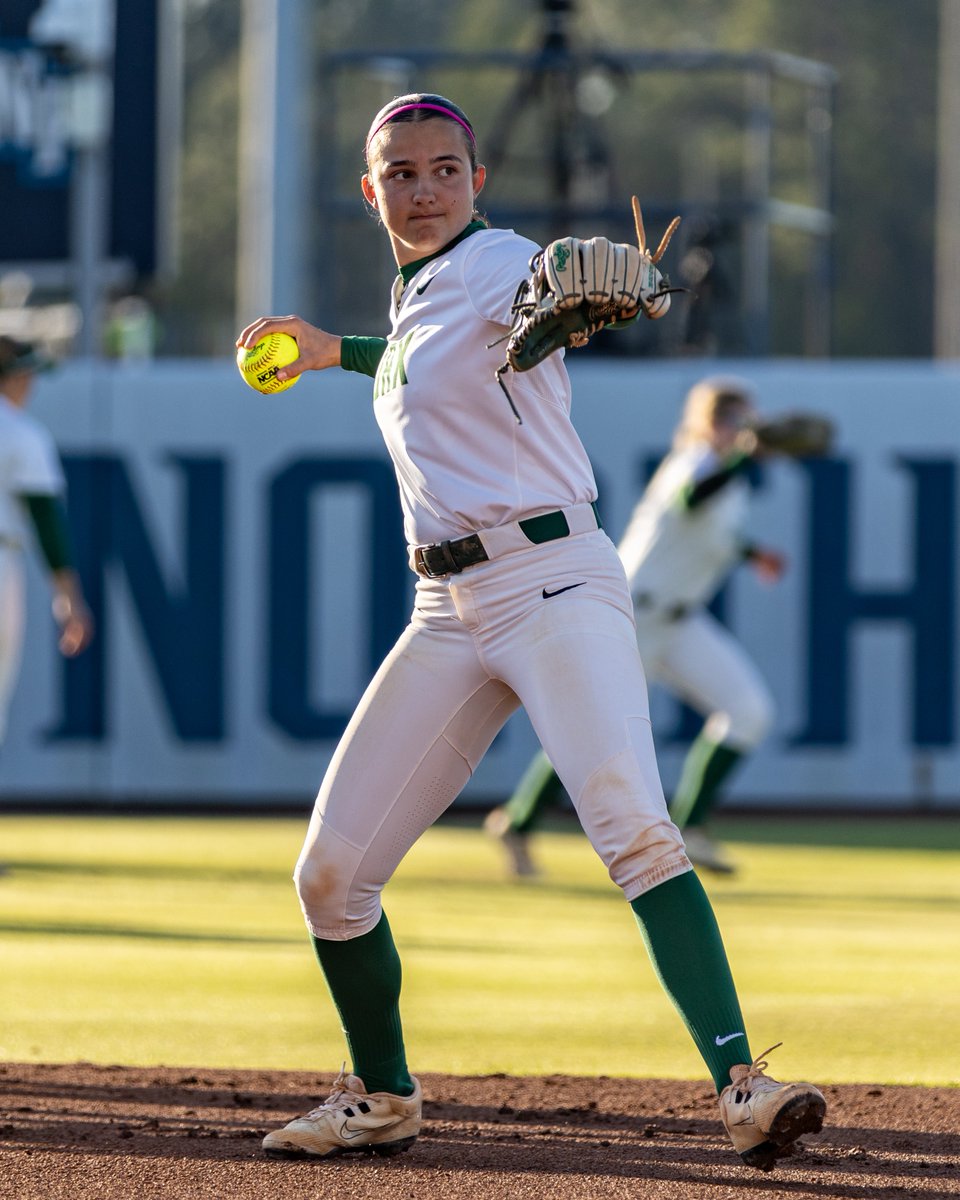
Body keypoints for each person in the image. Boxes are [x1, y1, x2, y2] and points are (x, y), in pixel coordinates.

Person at [236, 93, 825, 1173]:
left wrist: (583, 291)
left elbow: (544, 288)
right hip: (446, 609)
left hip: (551, 581)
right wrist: (328, 350)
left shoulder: (497, 260)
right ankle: (382, 1096)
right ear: (371, 192)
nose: (424, 188)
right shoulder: (420, 298)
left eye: (444, 169)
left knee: (635, 832)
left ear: (477, 182)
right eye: (401, 173)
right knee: (330, 877)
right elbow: (419, 359)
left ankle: (746, 1087)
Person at [488, 375, 783, 877]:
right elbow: (692, 499)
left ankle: (691, 828)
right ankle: (518, 822)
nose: (738, 428)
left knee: (748, 712)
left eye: (743, 419)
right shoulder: (693, 462)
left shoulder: (726, 476)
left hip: (680, 621)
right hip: (636, 616)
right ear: (706, 422)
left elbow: (712, 532)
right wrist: (742, 459)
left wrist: (755, 553)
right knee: (593, 731)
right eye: (729, 418)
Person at [0, 336, 94, 750]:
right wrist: (68, 597)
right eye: (27, 374)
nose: (31, 384)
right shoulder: (20, 433)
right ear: (14, 377)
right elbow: (45, 517)